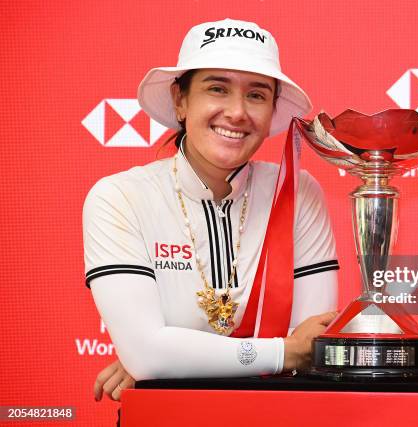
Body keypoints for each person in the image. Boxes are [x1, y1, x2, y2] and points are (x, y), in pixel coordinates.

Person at [84, 19, 339, 402]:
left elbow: (312, 348)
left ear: (272, 110)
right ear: (180, 100)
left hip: (277, 417)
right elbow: (150, 356)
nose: (237, 112)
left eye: (256, 95)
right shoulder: (119, 197)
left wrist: (178, 359)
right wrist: (281, 352)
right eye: (217, 89)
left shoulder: (298, 192)